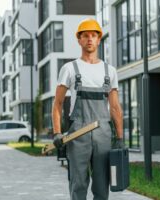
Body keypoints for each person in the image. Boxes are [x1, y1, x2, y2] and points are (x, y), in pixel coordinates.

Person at [52, 18, 124, 200]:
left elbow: (115, 107)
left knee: (101, 186)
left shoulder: (110, 71)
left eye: (94, 35)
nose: (90, 39)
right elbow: (57, 104)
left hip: (103, 133)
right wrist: (57, 133)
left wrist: (121, 138)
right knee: (78, 184)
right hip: (78, 134)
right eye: (85, 36)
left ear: (99, 39)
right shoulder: (69, 68)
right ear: (79, 40)